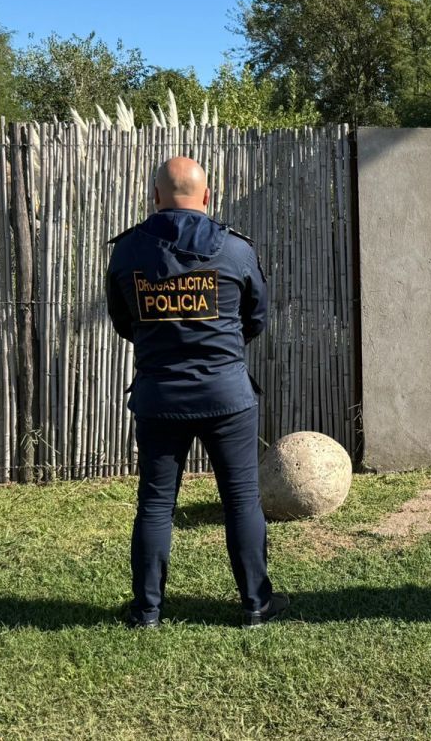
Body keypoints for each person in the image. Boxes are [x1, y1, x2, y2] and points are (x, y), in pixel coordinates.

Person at [106, 157, 288, 628]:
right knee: (242, 499)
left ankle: (147, 611)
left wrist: (164, 340)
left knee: (155, 503)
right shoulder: (235, 250)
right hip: (226, 395)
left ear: (154, 197)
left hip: (159, 396)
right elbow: (257, 319)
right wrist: (218, 345)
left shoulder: (127, 253)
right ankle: (256, 604)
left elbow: (124, 321)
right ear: (206, 197)